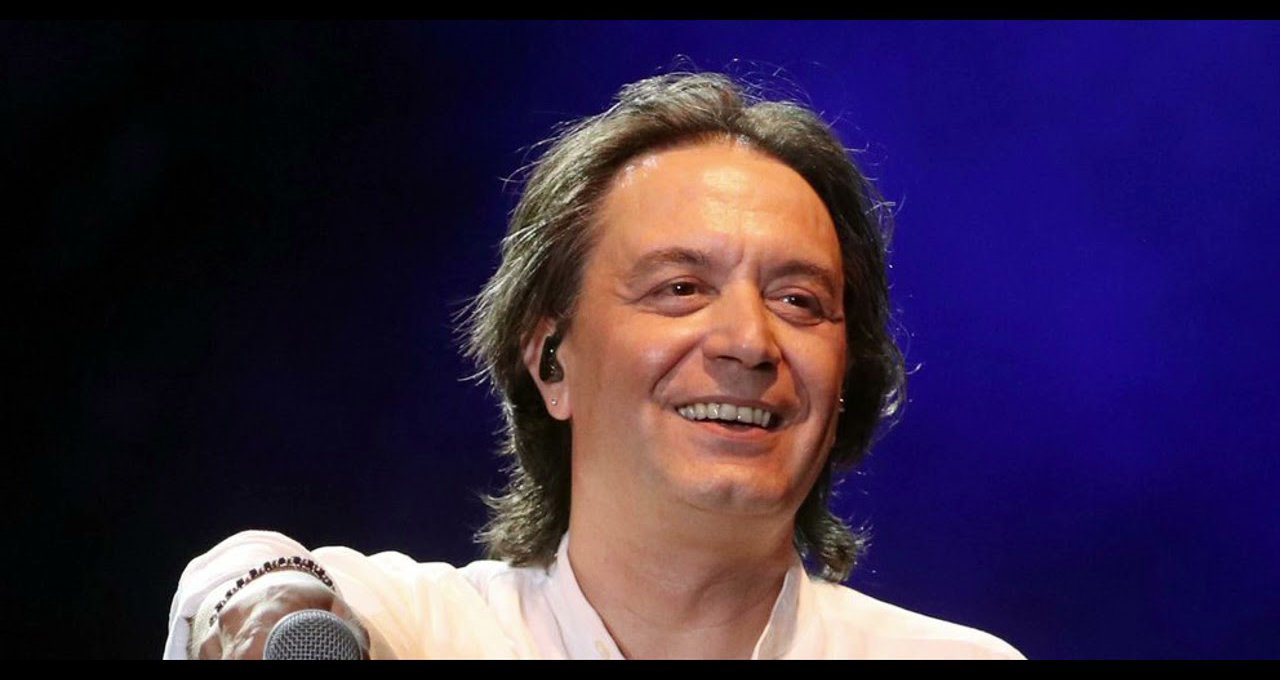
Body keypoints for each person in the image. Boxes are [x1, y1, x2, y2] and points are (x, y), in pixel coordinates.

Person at [165, 72, 1024, 660]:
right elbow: (248, 580)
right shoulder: (415, 635)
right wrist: (273, 612)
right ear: (551, 361)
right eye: (681, 288)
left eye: (800, 301)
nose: (750, 342)